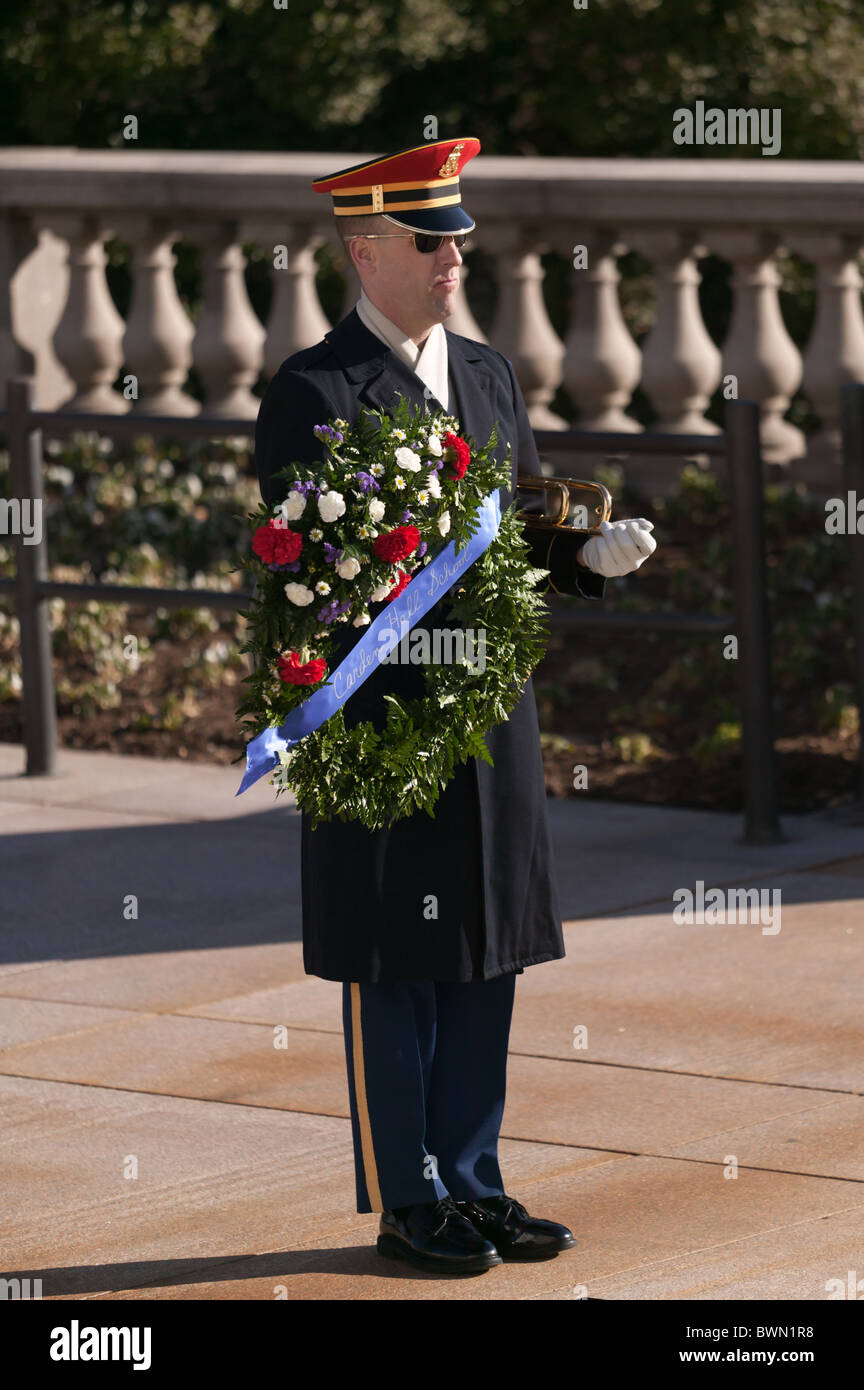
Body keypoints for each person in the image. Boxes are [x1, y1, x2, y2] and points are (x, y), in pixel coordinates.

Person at [254, 137, 657, 1275]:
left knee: (487, 949)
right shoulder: (314, 388)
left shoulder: (486, 372)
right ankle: (407, 1196)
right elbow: (307, 564)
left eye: (460, 238)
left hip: (489, 709)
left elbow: (520, 531)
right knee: (397, 957)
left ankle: (473, 1181)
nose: (455, 258)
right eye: (433, 241)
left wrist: (586, 557)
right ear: (366, 249)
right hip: (384, 717)